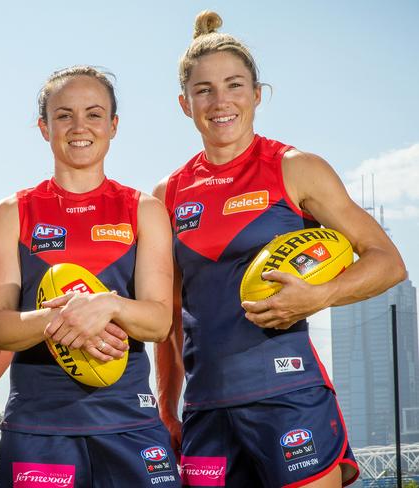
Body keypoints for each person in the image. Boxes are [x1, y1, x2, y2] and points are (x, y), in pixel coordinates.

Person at [154, 11, 407, 488]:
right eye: (204, 89)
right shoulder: (167, 194)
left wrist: (319, 296)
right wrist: (168, 408)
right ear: (185, 104)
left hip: (289, 395)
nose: (220, 101)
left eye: (234, 85)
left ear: (257, 94)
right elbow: (167, 316)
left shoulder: (296, 168)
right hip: (206, 409)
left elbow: (387, 261)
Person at [0, 66, 181, 487]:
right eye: (64, 115)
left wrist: (107, 304)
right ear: (44, 127)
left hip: (130, 421)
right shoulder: (10, 213)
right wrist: (69, 317)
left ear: (113, 125)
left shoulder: (142, 209)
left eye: (93, 114)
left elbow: (159, 321)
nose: (79, 127)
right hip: (40, 426)